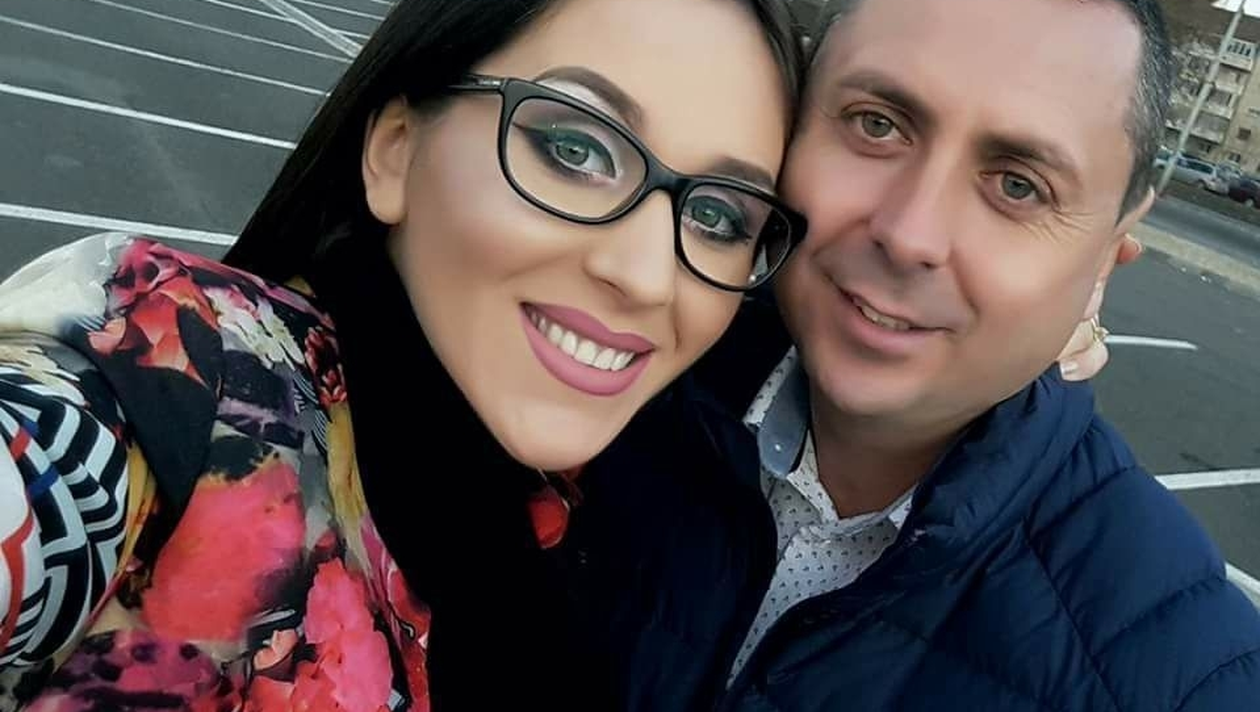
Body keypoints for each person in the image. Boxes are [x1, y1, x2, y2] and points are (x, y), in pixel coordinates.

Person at [0, 0, 807, 709]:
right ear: (392, 150)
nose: (647, 276)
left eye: (718, 217)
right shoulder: (186, 382)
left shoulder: (606, 504)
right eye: (575, 149)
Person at [563, 0, 1260, 709]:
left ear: (1110, 250)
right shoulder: (590, 393)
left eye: (1018, 186)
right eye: (877, 124)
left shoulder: (1191, 682)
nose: (909, 234)